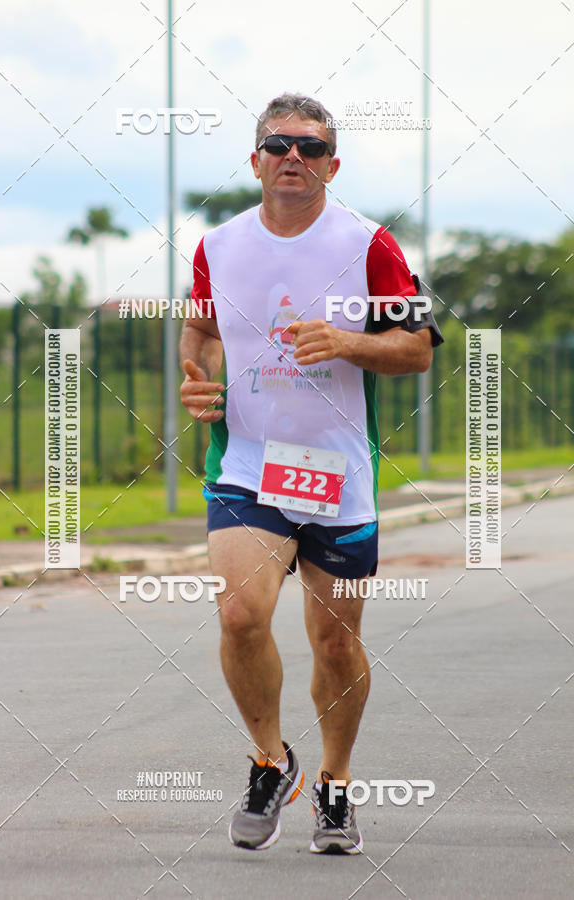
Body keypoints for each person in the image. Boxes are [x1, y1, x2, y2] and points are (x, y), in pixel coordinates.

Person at [180, 92, 443, 854]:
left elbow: (419, 348)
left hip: (335, 475)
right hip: (247, 464)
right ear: (255, 160)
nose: (292, 156)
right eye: (278, 144)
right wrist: (198, 375)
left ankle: (334, 782)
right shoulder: (218, 246)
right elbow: (200, 327)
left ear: (332, 164)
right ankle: (271, 762)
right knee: (239, 614)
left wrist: (348, 342)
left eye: (309, 146)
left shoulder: (370, 245)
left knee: (334, 643)